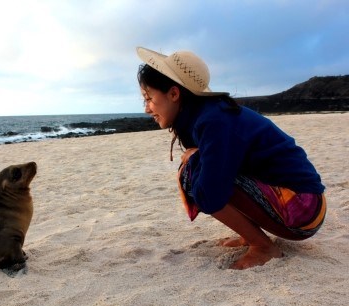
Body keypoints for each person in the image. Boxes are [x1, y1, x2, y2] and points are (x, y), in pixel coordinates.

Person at [136, 47, 326, 269]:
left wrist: (197, 158)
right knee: (203, 168)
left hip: (303, 210)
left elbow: (211, 194)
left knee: (196, 177)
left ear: (174, 94)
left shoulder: (214, 120)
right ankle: (251, 236)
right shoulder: (209, 114)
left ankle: (263, 247)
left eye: (149, 98)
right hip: (300, 201)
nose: (146, 109)